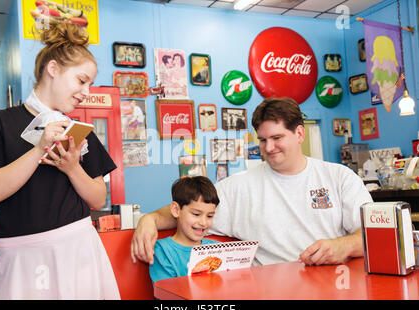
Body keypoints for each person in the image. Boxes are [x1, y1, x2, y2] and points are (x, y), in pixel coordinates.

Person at [0, 21, 120, 299]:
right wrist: (40, 149)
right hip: (23, 260)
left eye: (90, 84)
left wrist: (73, 168)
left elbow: (98, 199)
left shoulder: (78, 131)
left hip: (79, 251)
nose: (86, 92)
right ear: (53, 69)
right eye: (81, 80)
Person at [131, 97, 373, 267]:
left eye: (277, 137)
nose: (268, 147)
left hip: (337, 284)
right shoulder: (238, 187)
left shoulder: (339, 177)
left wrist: (343, 246)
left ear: (299, 134)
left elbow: (373, 233)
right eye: (262, 139)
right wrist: (149, 219)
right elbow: (188, 209)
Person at [149, 176, 219, 283]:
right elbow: (166, 293)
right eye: (196, 214)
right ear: (176, 210)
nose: (203, 223)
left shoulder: (217, 248)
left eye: (209, 216)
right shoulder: (162, 250)